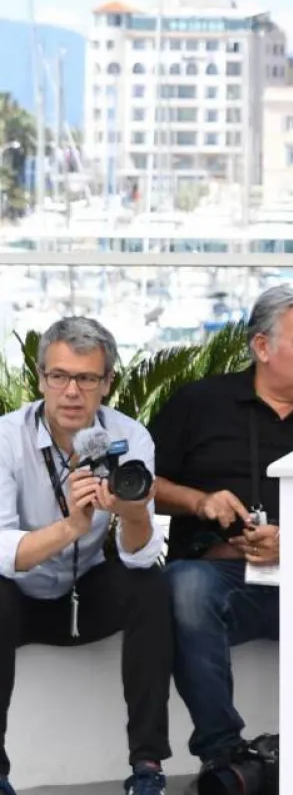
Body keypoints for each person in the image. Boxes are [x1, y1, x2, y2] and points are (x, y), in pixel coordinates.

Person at [149, 287, 293, 786]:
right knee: (184, 586)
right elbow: (142, 485)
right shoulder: (199, 404)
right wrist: (199, 502)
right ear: (262, 346)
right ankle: (225, 755)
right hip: (225, 580)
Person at [0, 318, 171, 795]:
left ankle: (148, 766)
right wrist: (73, 525)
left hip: (88, 590)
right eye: (60, 376)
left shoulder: (130, 438)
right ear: (40, 379)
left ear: (107, 384)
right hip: (21, 594)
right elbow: (2, 551)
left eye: (87, 379)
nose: (72, 392)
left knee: (152, 588)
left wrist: (135, 515)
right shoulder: (7, 439)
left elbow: (139, 559)